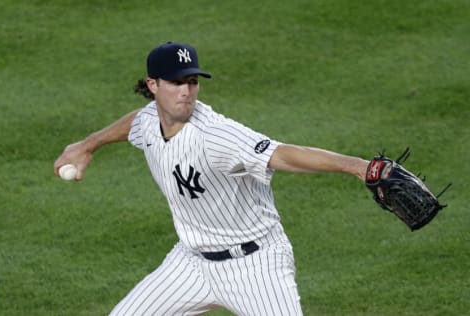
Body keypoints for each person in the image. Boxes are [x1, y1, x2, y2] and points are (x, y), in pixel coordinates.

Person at [54, 42, 369, 316]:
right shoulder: (150, 119)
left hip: (256, 265)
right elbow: (137, 121)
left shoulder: (217, 136)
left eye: (192, 82)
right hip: (190, 263)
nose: (186, 91)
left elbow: (283, 154)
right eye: (176, 82)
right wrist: (88, 144)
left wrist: (358, 166)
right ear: (153, 85)